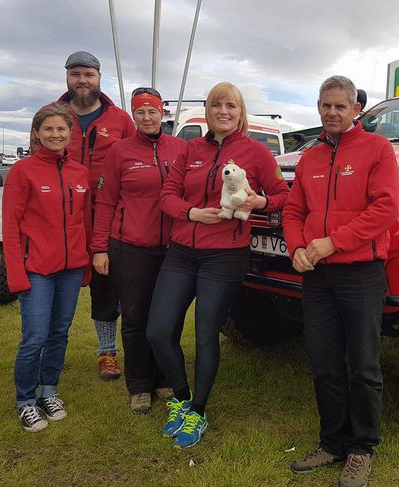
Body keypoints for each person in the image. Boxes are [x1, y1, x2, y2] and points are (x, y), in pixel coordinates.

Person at [147, 82, 290, 449]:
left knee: (206, 333)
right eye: (216, 105)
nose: (223, 111)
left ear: (241, 113)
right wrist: (192, 212)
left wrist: (259, 201)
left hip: (224, 256)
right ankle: (180, 396)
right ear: (207, 111)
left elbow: (282, 196)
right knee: (159, 331)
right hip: (181, 250)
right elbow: (166, 197)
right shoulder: (191, 148)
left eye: (231, 105)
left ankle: (198, 409)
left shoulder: (256, 152)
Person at [282, 76, 399, 487]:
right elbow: (293, 210)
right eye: (326, 106)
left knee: (364, 365)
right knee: (325, 361)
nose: (332, 112)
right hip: (317, 275)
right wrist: (297, 247)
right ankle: (332, 443)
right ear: (318, 107)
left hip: (360, 273)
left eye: (340, 106)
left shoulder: (377, 149)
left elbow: (386, 208)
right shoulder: (310, 157)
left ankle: (361, 449)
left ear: (355, 109)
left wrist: (333, 242)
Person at [92, 87, 187, 414]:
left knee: (169, 316)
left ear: (163, 113)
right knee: (134, 316)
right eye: (140, 112)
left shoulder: (181, 148)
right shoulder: (120, 151)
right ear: (134, 115)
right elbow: (105, 202)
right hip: (130, 246)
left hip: (174, 248)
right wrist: (99, 248)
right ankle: (140, 383)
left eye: (153, 111)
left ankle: (164, 377)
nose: (147, 117)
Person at [2, 103, 93, 432]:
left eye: (61, 129)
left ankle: (48, 391)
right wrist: (16, 272)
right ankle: (25, 400)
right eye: (49, 129)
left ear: (70, 134)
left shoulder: (80, 173)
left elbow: (84, 220)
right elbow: (10, 227)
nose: (56, 134)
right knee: (35, 336)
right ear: (37, 134)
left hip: (71, 269)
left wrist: (84, 264)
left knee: (59, 334)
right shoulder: (22, 172)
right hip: (37, 269)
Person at [57, 51, 136, 380]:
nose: (82, 80)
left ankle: (107, 352)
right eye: (76, 74)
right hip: (63, 217)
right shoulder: (53, 114)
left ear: (99, 77)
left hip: (107, 216)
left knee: (105, 285)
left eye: (88, 74)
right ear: (67, 77)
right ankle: (49, 350)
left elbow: (135, 159)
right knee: (57, 283)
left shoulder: (119, 119)